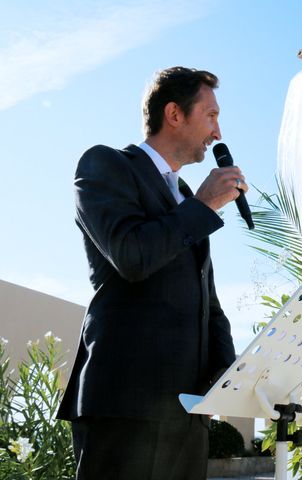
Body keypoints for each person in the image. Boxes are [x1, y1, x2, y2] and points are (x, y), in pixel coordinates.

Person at [57, 67, 245, 480]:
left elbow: (207, 300)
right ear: (174, 114)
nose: (218, 132)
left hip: (187, 413)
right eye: (210, 115)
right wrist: (202, 206)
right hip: (127, 403)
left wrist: (223, 374)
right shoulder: (105, 165)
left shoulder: (185, 197)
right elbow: (132, 255)